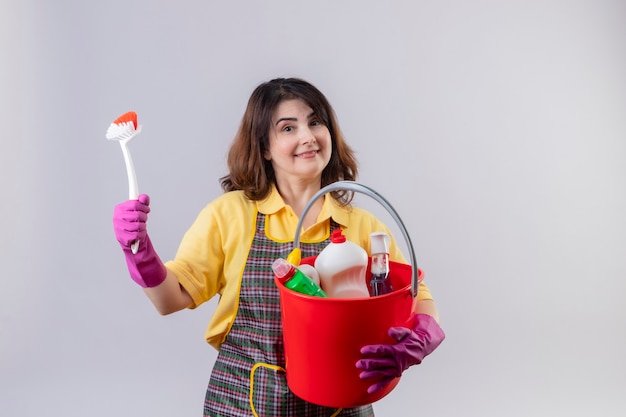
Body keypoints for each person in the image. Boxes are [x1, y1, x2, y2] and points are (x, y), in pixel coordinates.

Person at [112, 77, 445, 416]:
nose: (307, 136)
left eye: (315, 121)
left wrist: (423, 335)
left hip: (341, 403)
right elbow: (171, 299)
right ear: (265, 147)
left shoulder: (361, 225)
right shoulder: (230, 215)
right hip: (241, 403)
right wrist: (139, 252)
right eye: (288, 128)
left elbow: (417, 297)